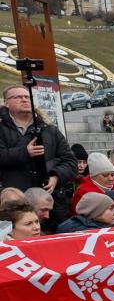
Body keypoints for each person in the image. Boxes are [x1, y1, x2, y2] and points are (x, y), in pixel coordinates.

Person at [0, 85, 77, 226]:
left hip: (51, 206)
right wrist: (24, 152)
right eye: (18, 97)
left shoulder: (50, 130)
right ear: (6, 103)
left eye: (27, 97)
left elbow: (71, 162)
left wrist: (56, 177)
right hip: (15, 204)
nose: (24, 100)